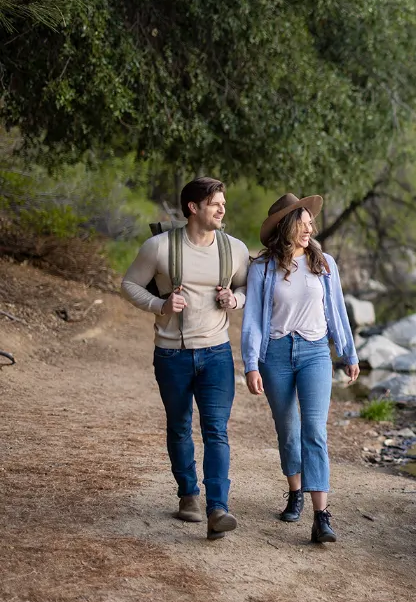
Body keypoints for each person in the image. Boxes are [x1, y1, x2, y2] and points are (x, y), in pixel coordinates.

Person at [121, 177, 249, 540]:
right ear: (193, 208)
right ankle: (188, 496)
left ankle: (218, 508)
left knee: (216, 431)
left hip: (217, 354)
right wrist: (160, 304)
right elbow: (128, 285)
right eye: (215, 204)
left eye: (223, 203)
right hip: (171, 355)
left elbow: (246, 287)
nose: (222, 209)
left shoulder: (234, 249)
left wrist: (234, 300)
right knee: (179, 426)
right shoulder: (158, 247)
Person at [241, 193, 359, 544]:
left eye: (311, 223)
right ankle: (295, 490)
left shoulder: (324, 263)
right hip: (274, 355)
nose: (310, 228)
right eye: (303, 222)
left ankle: (321, 516)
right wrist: (250, 363)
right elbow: (252, 321)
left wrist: (349, 354)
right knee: (287, 428)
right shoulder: (262, 268)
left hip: (314, 353)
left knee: (315, 430)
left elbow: (336, 311)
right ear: (286, 226)